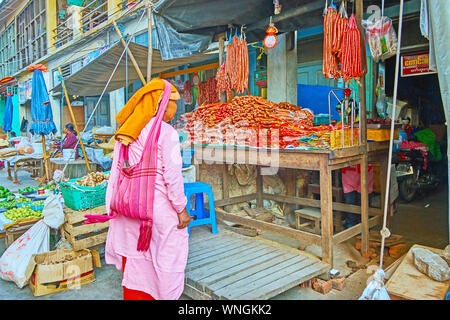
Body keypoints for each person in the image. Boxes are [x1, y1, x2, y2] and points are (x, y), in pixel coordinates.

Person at [104, 78, 191, 300]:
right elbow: (172, 177)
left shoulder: (127, 131)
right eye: (173, 102)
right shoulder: (166, 132)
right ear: (161, 103)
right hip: (158, 210)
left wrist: (111, 206)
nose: (176, 107)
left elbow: (115, 173)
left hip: (128, 207)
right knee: (163, 257)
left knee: (134, 258)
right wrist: (181, 208)